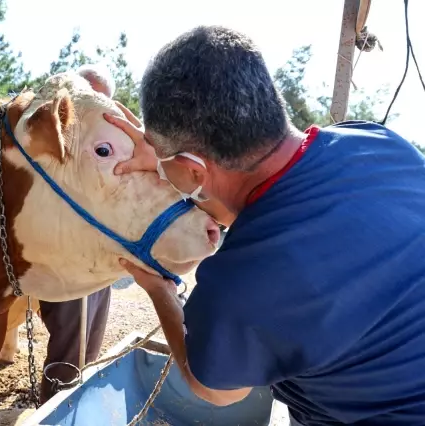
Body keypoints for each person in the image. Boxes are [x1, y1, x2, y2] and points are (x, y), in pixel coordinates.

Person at [103, 25, 425, 426]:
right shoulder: (379, 143)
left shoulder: (240, 285)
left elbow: (215, 390)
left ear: (194, 169)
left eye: (170, 169)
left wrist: (159, 291)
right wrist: (173, 162)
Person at [37, 64, 116, 404]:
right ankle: (57, 404)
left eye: (104, 100)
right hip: (63, 252)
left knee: (91, 335)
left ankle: (74, 397)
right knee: (70, 338)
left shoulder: (104, 141)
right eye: (92, 96)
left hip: (96, 252)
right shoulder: (51, 133)